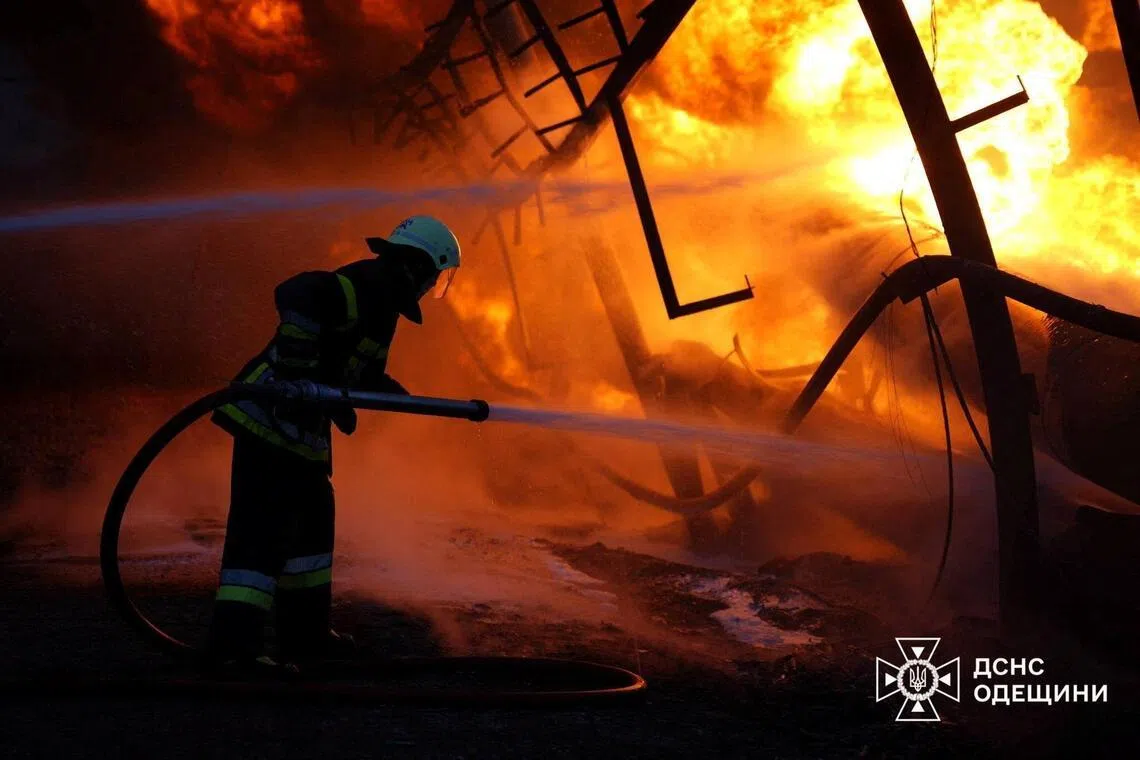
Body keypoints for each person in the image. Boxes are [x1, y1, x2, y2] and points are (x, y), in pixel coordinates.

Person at [204, 215, 460, 674]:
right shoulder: (353, 287)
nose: (431, 287)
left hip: (304, 437)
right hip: (267, 423)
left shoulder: (382, 310)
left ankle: (304, 638)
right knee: (261, 540)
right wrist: (300, 373)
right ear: (414, 266)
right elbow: (295, 293)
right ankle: (235, 650)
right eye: (433, 276)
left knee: (311, 537)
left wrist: (403, 399)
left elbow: (362, 373)